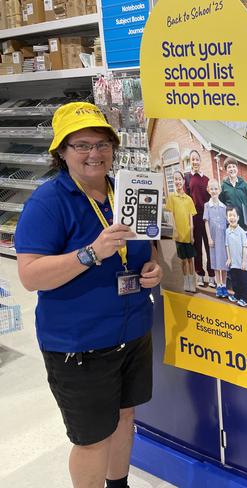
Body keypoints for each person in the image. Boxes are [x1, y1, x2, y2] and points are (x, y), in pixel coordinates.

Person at [14, 102, 163, 488]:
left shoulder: (128, 191)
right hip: (79, 345)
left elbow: (149, 250)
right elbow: (30, 276)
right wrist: (91, 253)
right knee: (92, 438)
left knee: (125, 418)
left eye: (101, 144)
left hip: (132, 334)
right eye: (81, 145)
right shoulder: (48, 202)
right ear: (61, 153)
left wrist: (152, 269)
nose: (94, 153)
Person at [219, 157, 247, 292]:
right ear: (226, 170)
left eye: (233, 166)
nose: (232, 169)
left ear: (237, 168)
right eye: (229, 167)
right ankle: (231, 280)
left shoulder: (244, 185)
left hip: (244, 227)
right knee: (231, 254)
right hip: (230, 228)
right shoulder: (224, 186)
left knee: (245, 254)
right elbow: (221, 204)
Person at [184, 150, 215, 287]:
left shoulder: (206, 179)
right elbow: (186, 199)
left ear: (200, 161)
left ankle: (212, 274)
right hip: (194, 217)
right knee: (197, 248)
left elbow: (211, 198)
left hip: (207, 216)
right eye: (193, 159)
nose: (195, 162)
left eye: (197, 159)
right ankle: (200, 274)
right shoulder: (187, 178)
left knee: (210, 247)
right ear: (190, 161)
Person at [166, 170, 197, 293]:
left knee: (190, 259)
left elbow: (191, 218)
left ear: (183, 181)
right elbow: (171, 215)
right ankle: (186, 282)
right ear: (173, 181)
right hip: (178, 234)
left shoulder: (188, 199)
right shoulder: (171, 197)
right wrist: (174, 231)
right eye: (175, 179)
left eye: (180, 179)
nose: (178, 181)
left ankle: (192, 281)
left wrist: (192, 234)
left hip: (188, 234)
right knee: (183, 260)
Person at [203, 178, 229, 298]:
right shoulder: (207, 206)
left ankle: (224, 285)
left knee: (223, 263)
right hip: (213, 238)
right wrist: (209, 238)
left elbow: (227, 224)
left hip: (223, 239)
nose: (214, 191)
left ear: (219, 190)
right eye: (211, 189)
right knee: (216, 262)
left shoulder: (224, 207)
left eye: (216, 188)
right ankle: (218, 285)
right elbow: (206, 222)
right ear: (208, 190)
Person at [225, 206, 247, 307]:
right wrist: (229, 258)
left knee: (243, 281)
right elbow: (227, 245)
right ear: (227, 218)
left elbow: (245, 247)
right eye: (230, 215)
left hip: (242, 263)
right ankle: (236, 295)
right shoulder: (227, 231)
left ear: (238, 217)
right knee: (235, 280)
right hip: (233, 263)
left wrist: (244, 261)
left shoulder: (241, 232)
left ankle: (244, 298)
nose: (232, 218)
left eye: (234, 215)